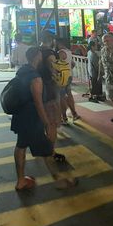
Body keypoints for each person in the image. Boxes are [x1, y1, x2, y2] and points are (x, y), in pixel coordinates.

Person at [11, 47, 77, 191]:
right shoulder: (35, 77)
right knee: (47, 150)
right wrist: (46, 122)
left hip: (20, 115)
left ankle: (21, 180)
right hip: (32, 118)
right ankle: (59, 181)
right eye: (40, 55)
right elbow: (38, 102)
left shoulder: (22, 71)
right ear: (37, 57)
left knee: (21, 146)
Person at [39, 31, 64, 162]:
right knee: (51, 123)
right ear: (52, 40)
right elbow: (55, 71)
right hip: (49, 91)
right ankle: (51, 151)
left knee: (41, 121)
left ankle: (40, 147)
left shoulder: (36, 52)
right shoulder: (50, 54)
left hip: (36, 91)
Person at [54, 38, 80, 124]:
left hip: (62, 78)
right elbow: (73, 64)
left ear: (59, 43)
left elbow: (58, 64)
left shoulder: (60, 52)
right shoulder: (68, 51)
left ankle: (64, 117)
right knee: (69, 95)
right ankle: (74, 113)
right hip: (69, 76)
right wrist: (68, 69)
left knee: (62, 97)